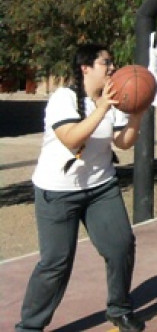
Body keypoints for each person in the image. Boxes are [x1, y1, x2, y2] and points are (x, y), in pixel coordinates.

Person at [17, 44, 148, 332]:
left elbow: (123, 142)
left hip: (101, 187)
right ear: (85, 67)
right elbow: (72, 139)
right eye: (106, 63)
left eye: (113, 63)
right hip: (57, 191)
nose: (113, 68)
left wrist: (137, 113)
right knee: (55, 264)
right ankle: (29, 327)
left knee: (120, 246)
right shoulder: (63, 99)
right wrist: (102, 108)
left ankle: (119, 309)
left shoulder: (113, 100)